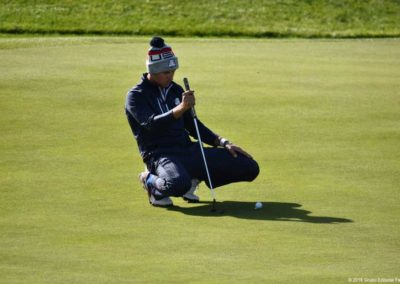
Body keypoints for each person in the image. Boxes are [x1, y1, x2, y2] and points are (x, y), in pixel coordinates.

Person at [125, 37, 259, 207]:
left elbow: (194, 126)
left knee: (248, 166)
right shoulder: (136, 96)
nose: (171, 76)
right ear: (153, 70)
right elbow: (151, 125)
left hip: (187, 150)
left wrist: (223, 142)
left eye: (173, 71)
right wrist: (181, 108)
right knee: (178, 184)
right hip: (160, 155)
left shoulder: (176, 90)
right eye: (166, 73)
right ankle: (150, 181)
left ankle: (193, 177)